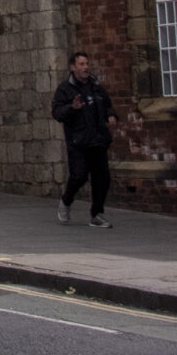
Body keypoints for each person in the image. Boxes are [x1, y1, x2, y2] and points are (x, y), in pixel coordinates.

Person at [53, 51, 118, 227]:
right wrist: (72, 108)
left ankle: (97, 214)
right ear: (73, 67)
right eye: (81, 64)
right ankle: (66, 200)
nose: (85, 68)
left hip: (98, 139)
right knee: (79, 176)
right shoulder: (65, 89)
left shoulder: (95, 86)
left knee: (102, 178)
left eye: (87, 64)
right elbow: (57, 113)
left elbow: (107, 105)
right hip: (78, 141)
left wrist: (111, 116)